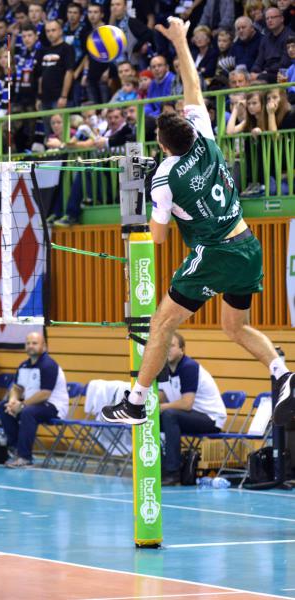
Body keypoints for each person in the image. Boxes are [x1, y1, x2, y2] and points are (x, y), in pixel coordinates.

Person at [99, 18, 295, 431]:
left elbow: (157, 238)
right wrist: (180, 40)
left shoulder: (165, 176)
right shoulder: (205, 138)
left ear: (162, 144)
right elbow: (193, 86)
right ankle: (282, 373)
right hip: (248, 244)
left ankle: (136, 402)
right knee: (234, 326)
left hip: (216, 253)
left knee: (161, 322)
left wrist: (151, 206)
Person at [157, 333, 226, 486]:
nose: (167, 349)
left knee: (169, 415)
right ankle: (158, 468)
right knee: (149, 419)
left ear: (182, 349)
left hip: (210, 418)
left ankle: (172, 473)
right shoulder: (163, 368)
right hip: (186, 417)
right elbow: (161, 396)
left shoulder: (189, 367)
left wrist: (161, 407)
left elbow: (187, 404)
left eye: (171, 346)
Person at [0, 331, 69, 468]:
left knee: (28, 412)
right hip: (33, 405)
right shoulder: (24, 366)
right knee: (3, 407)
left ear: (44, 346)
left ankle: (25, 457)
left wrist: (22, 405)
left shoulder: (49, 365)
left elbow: (45, 394)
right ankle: (16, 449)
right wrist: (12, 401)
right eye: (28, 343)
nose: (30, 346)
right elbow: (17, 388)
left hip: (53, 407)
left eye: (35, 343)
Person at [251, 7, 294, 81]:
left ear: (282, 19)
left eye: (273, 17)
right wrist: (254, 72)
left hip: (282, 73)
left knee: (261, 78)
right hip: (265, 73)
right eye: (267, 18)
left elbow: (285, 63)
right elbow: (259, 61)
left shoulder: (290, 36)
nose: (269, 20)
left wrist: (265, 72)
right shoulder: (265, 39)